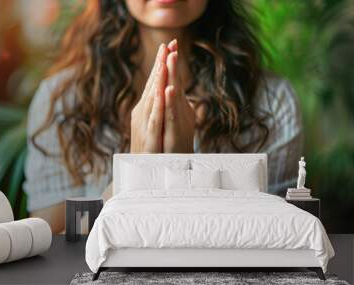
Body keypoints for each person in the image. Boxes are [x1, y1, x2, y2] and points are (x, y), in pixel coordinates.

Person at [24, 0, 302, 233]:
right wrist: (134, 176)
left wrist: (186, 176)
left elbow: (275, 236)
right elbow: (53, 241)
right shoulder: (61, 101)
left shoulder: (271, 102)